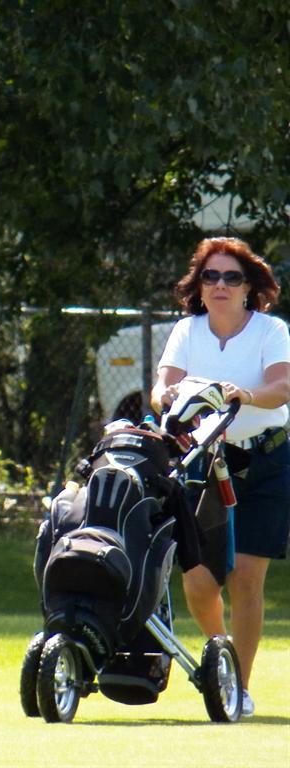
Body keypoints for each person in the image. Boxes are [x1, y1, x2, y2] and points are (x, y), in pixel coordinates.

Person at [151, 236, 290, 718]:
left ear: (249, 286)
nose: (221, 285)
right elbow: (161, 389)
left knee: (245, 578)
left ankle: (239, 688)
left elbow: (282, 387)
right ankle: (222, 663)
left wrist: (243, 396)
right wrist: (169, 399)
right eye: (211, 276)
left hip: (265, 461)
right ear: (200, 285)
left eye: (232, 277)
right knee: (198, 582)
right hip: (203, 463)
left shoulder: (271, 330)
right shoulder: (187, 331)